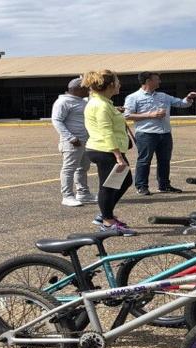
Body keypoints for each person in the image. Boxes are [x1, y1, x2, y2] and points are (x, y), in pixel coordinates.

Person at [124, 72, 196, 196]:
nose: (160, 82)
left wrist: (189, 97)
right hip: (146, 134)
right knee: (144, 161)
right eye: (157, 79)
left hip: (165, 134)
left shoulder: (163, 96)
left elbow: (181, 103)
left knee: (164, 160)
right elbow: (127, 115)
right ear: (148, 81)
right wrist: (150, 115)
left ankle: (164, 185)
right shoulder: (134, 97)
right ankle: (141, 186)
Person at [83, 69, 136, 235]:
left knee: (124, 181)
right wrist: (118, 156)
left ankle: (105, 214)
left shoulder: (104, 103)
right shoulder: (100, 105)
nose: (120, 84)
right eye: (118, 82)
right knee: (108, 186)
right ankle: (107, 222)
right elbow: (106, 131)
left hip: (107, 149)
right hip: (105, 150)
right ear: (111, 85)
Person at [50, 78, 94, 207]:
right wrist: (71, 138)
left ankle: (83, 193)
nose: (89, 91)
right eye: (86, 88)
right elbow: (57, 121)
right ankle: (67, 196)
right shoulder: (63, 102)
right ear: (77, 89)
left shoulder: (83, 101)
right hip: (72, 142)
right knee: (69, 168)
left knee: (83, 168)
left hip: (86, 141)